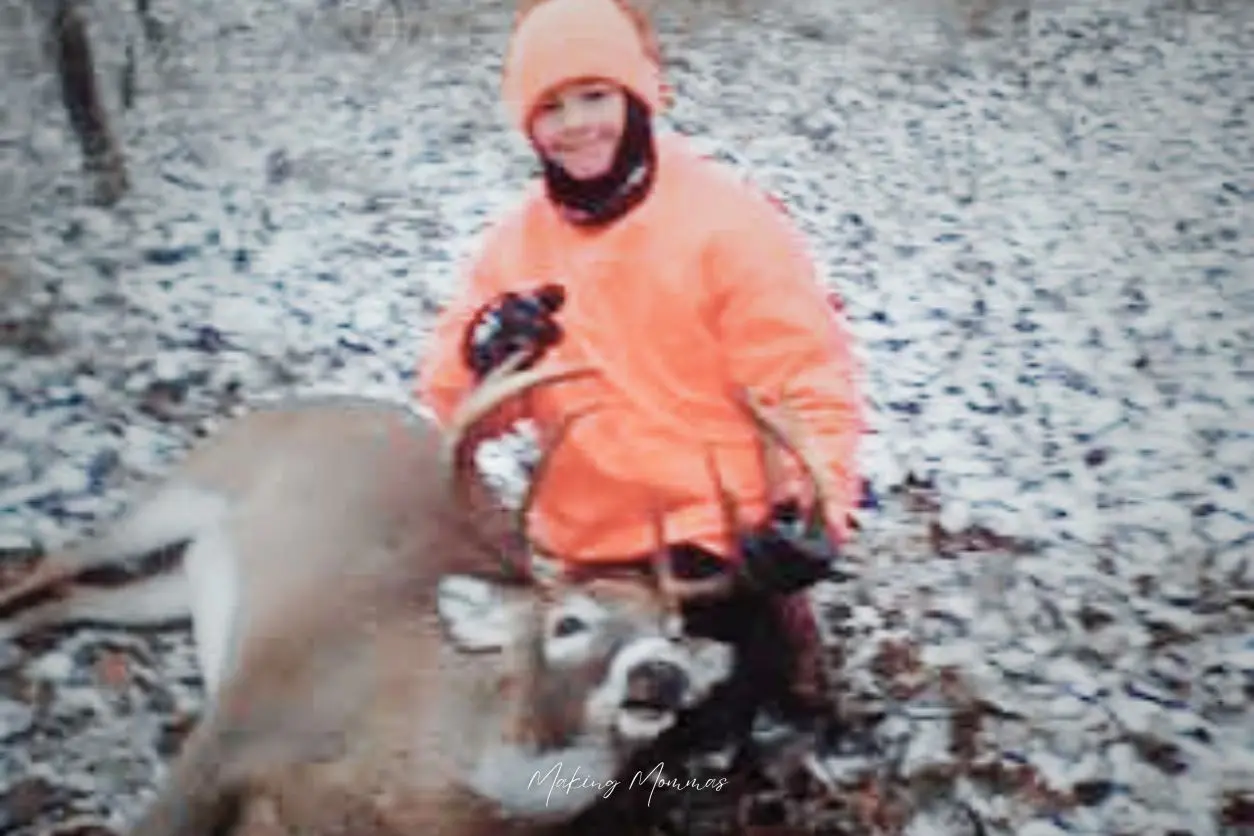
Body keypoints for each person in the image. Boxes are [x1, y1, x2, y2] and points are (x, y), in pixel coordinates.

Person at [416, 0, 865, 751]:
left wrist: (808, 516)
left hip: (713, 544)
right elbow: (452, 402)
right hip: (582, 553)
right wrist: (482, 353)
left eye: (595, 95)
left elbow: (803, 381)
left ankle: (765, 696)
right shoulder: (516, 248)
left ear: (637, 95)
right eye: (551, 108)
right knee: (551, 742)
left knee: (692, 754)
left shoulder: (727, 224)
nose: (576, 125)